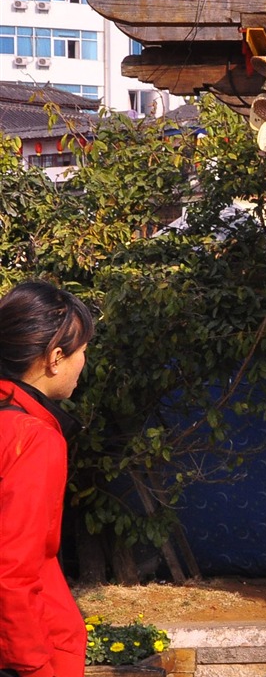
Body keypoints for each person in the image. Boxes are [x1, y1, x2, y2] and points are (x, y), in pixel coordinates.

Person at [0, 280, 96, 677]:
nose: (83, 364)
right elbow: (12, 569)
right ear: (55, 357)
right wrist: (36, 666)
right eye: (84, 352)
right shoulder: (33, 439)